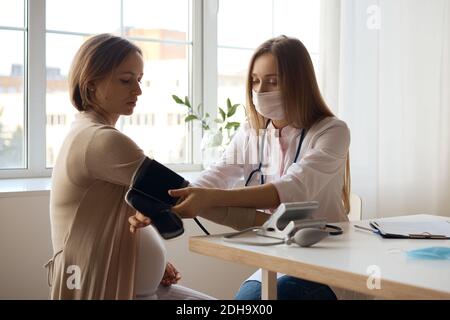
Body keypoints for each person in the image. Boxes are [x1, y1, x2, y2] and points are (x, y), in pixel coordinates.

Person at [167, 35, 351, 300]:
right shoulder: (251, 133)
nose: (261, 90)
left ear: (299, 83)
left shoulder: (331, 131)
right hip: (278, 254)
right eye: (255, 80)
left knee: (252, 301)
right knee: (249, 298)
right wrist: (166, 199)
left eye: (273, 81)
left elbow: (292, 189)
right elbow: (218, 174)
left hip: (326, 258)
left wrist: (210, 198)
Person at [46, 33, 213, 300]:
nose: (137, 90)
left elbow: (116, 216)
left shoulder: (86, 131)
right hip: (104, 289)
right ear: (91, 85)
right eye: (126, 80)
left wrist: (148, 264)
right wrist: (266, 219)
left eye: (139, 80)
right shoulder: (99, 140)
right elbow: (184, 194)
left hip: (136, 285)